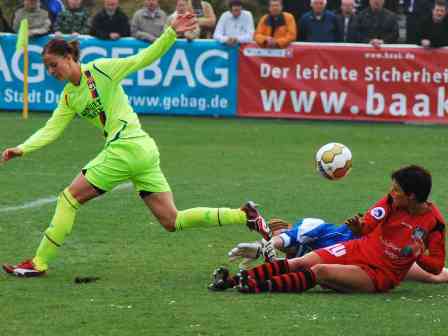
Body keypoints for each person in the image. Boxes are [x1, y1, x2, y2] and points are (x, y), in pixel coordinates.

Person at [1, 15, 270, 278]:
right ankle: (243, 215)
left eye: (53, 64)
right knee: (172, 220)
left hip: (126, 148)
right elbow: (52, 128)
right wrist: (23, 148)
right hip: (143, 150)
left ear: (69, 58)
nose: (51, 71)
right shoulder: (69, 97)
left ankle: (38, 262)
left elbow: (141, 59)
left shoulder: (99, 70)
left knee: (68, 198)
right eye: (47, 67)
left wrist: (170, 33)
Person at [210, 165, 446, 293]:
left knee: (321, 271)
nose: (391, 192)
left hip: (380, 274)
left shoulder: (434, 224)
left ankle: (252, 287)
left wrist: (417, 254)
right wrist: (360, 227)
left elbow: (435, 266)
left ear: (412, 196)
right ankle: (229, 282)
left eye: (396, 190)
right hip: (358, 249)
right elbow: (369, 225)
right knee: (299, 263)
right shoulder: (390, 202)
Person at [226, 216, 448, 284]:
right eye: (271, 233)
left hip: (372, 251)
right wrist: (259, 251)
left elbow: (281, 240)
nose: (276, 234)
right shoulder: (294, 256)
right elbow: (281, 263)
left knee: (433, 276)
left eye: (278, 230)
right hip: (358, 267)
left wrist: (262, 246)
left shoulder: (307, 227)